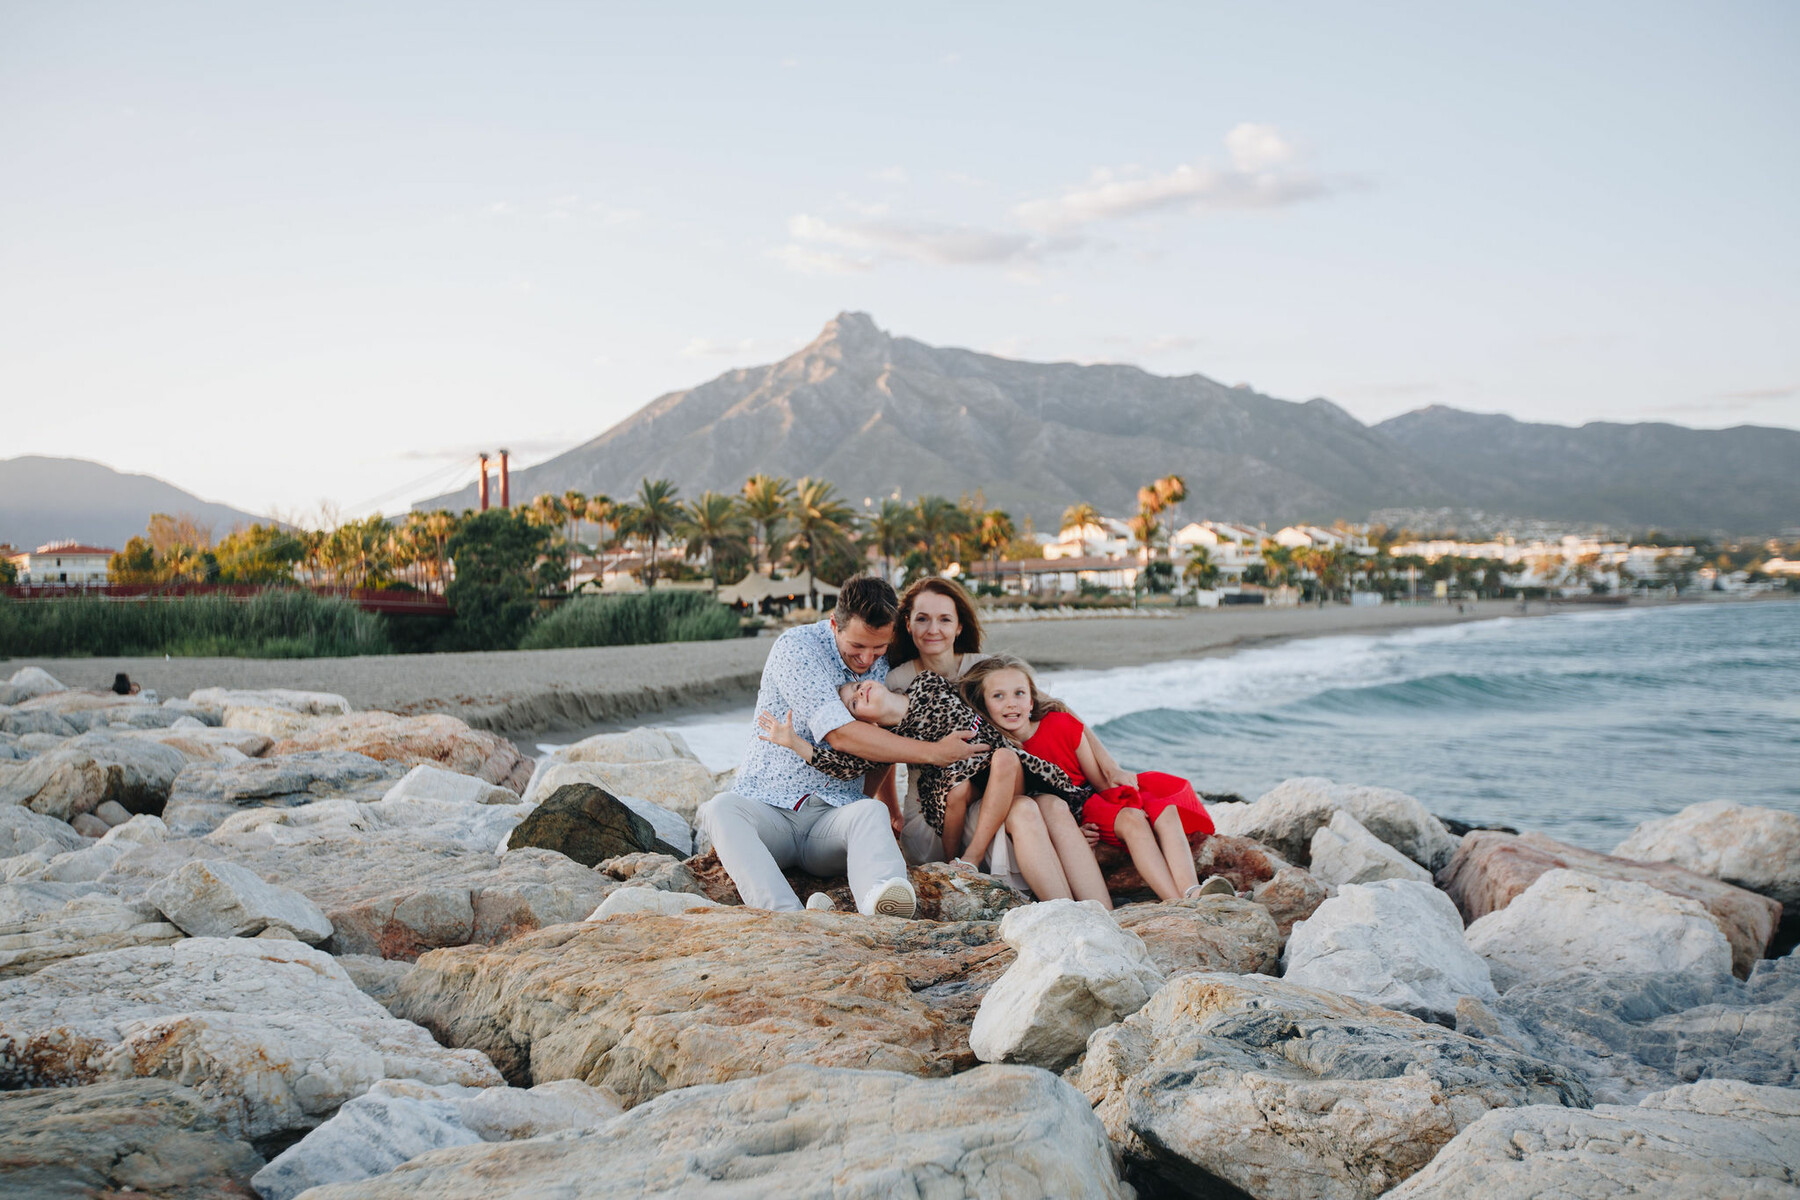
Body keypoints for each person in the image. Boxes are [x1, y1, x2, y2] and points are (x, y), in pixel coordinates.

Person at [694, 577, 986, 916]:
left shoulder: (886, 658)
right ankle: (787, 914)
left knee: (869, 811)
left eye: (878, 649)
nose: (866, 659)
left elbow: (883, 742)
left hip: (831, 822)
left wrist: (888, 805)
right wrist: (934, 753)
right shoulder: (798, 649)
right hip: (769, 812)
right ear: (835, 624)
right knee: (720, 809)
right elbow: (841, 735)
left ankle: (881, 902)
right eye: (856, 648)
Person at [757, 671, 1095, 901]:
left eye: (857, 686)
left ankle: (1098, 911)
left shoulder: (927, 682)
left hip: (997, 760)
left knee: (1008, 760)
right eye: (853, 703)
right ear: (866, 722)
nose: (859, 692)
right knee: (961, 788)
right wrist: (796, 744)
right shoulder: (886, 739)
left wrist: (1040, 704)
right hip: (953, 781)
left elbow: (977, 686)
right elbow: (846, 765)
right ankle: (964, 861)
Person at [882, 577, 1132, 878]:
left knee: (1028, 806)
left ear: (959, 626)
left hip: (990, 794)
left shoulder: (983, 668)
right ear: (907, 624)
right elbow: (881, 750)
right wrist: (889, 809)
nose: (933, 629)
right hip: (926, 807)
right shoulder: (896, 681)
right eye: (922, 619)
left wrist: (1110, 766)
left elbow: (1055, 708)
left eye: (944, 619)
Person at [962, 654, 1232, 902]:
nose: (1011, 703)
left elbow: (1099, 783)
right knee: (1135, 822)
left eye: (1019, 693)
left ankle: (1191, 891)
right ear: (984, 705)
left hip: (1094, 801)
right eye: (998, 696)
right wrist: (1078, 829)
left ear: (1031, 701)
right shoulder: (1004, 751)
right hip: (1070, 816)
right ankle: (1175, 901)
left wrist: (1125, 799)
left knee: (1164, 811)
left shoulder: (1062, 724)